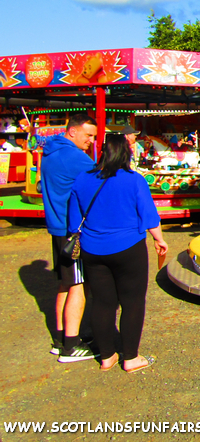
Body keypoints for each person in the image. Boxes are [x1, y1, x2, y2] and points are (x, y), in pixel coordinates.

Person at [68, 134, 168, 373]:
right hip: (129, 248)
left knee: (102, 303)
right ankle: (131, 357)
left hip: (92, 250)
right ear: (127, 154)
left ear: (101, 152)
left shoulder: (82, 179)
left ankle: (106, 356)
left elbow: (73, 223)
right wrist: (159, 239)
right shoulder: (134, 180)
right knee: (132, 302)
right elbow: (149, 216)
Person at [40, 113, 98, 363]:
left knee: (65, 283)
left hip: (57, 227)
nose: (91, 141)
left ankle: (61, 338)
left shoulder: (51, 152)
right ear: (73, 131)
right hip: (72, 230)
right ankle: (71, 347)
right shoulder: (74, 157)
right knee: (78, 285)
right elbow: (102, 180)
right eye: (88, 135)